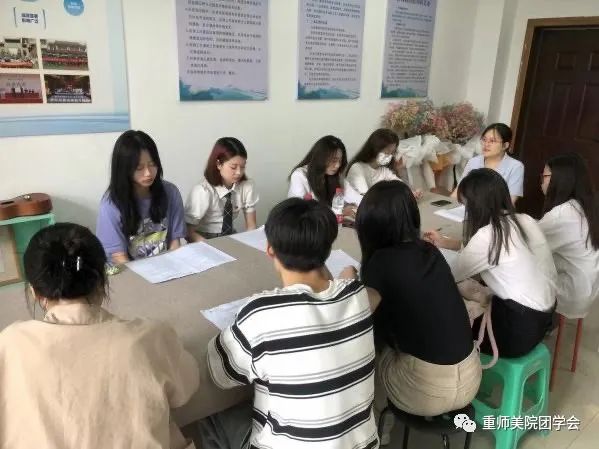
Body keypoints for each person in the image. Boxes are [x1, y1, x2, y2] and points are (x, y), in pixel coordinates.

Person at [0, 223, 199, 449]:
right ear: (102, 282)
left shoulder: (10, 344)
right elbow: (187, 387)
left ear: (34, 292)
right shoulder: (151, 337)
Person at [203, 198, 381, 449]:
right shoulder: (357, 295)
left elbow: (222, 374)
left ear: (269, 250)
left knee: (210, 413)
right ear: (328, 249)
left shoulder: (261, 313)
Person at [356, 180, 481, 422]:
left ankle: (379, 429)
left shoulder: (380, 263)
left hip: (426, 392)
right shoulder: (429, 251)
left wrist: (349, 284)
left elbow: (360, 318)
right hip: (471, 378)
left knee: (367, 353)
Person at [426, 168, 557, 358]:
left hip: (517, 333)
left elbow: (451, 275)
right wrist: (446, 243)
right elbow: (488, 251)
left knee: (440, 317)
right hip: (545, 320)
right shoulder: (525, 220)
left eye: (466, 206)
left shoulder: (488, 235)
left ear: (476, 206)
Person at [96, 130, 186, 263]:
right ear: (124, 169)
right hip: (127, 270)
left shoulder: (170, 192)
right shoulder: (111, 204)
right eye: (139, 168)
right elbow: (119, 258)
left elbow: (175, 243)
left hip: (165, 267)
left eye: (152, 164)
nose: (148, 173)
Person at [539, 153, 599, 319]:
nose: (541, 181)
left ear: (560, 180)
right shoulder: (584, 208)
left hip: (569, 294)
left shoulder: (563, 214)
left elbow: (530, 245)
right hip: (587, 290)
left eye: (544, 176)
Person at [185, 137, 258, 241]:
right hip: (203, 238)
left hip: (229, 235)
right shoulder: (203, 191)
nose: (239, 172)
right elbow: (188, 231)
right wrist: (209, 246)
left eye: (242, 167)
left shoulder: (247, 186)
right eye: (233, 167)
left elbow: (251, 226)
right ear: (218, 164)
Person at [452, 123, 524, 204]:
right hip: (469, 208)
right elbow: (458, 191)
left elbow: (510, 201)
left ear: (505, 145)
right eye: (484, 139)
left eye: (492, 141)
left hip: (497, 210)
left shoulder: (515, 166)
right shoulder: (473, 161)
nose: (486, 144)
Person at [346, 128, 421, 204]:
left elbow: (400, 185)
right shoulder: (357, 168)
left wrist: (411, 193)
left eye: (392, 152)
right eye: (387, 151)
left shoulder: (384, 171)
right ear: (375, 148)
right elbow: (368, 201)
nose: (390, 156)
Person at [288, 134, 361, 212]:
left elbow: (356, 198)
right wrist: (339, 211)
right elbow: (301, 212)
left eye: (340, 161)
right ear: (321, 158)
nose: (338, 165)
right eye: (334, 160)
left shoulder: (336, 176)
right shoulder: (299, 175)